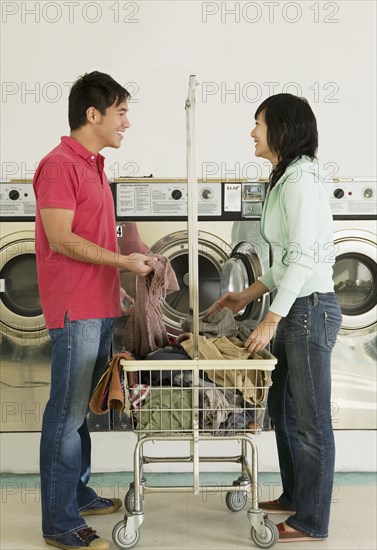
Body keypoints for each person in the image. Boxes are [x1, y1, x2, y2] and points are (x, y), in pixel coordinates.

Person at [207, 93, 342, 542]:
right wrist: (243, 297)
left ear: (282, 129)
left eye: (259, 123)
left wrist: (270, 320)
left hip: (309, 311)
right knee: (282, 413)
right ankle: (293, 496)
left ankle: (312, 520)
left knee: (311, 421)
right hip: (296, 309)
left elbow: (303, 261)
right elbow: (285, 262)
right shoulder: (285, 179)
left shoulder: (301, 181)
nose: (252, 132)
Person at [33, 71, 156, 550]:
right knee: (64, 416)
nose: (127, 122)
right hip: (75, 313)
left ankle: (77, 493)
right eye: (121, 112)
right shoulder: (59, 165)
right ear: (93, 114)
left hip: (99, 306)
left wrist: (117, 287)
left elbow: (94, 239)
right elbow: (61, 239)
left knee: (81, 413)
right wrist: (123, 261)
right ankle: (59, 524)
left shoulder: (94, 166)